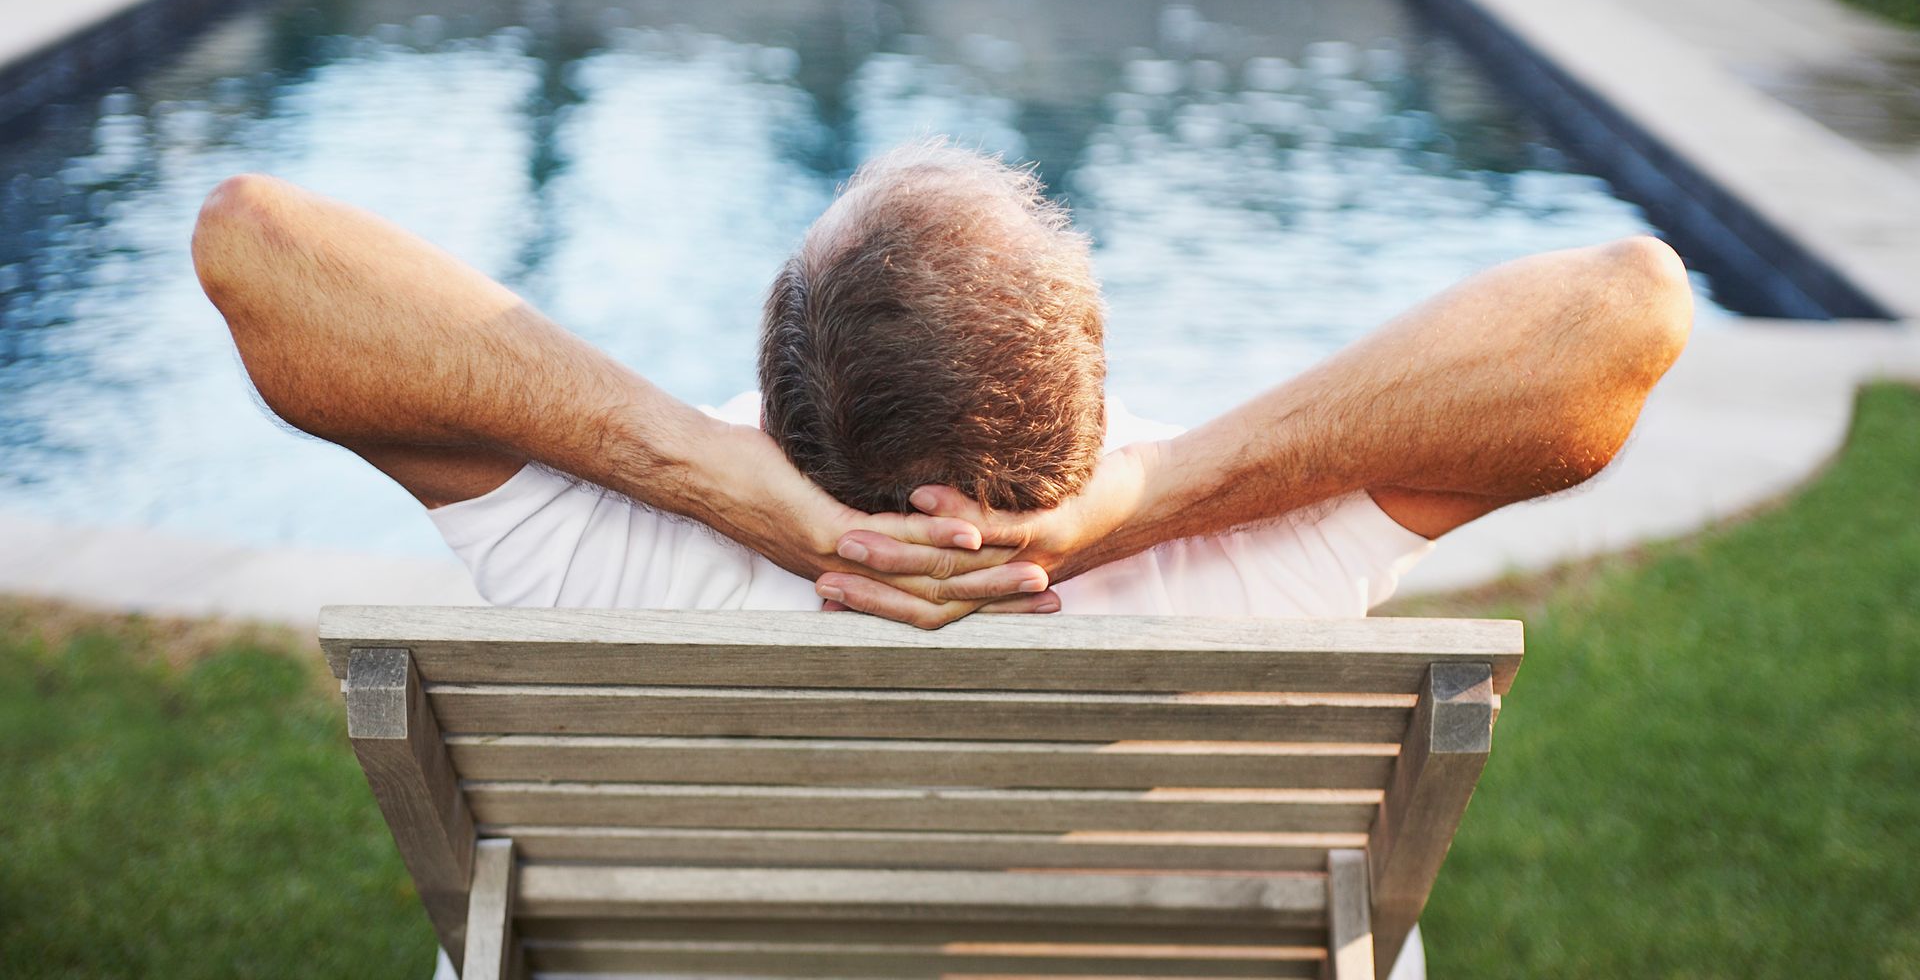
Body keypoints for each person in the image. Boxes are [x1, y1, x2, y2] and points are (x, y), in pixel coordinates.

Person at [191, 142, 1692, 978]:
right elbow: (1624, 313)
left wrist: (700, 477)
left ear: (777, 380)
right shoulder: (1259, 561)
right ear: (1094, 379)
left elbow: (257, 244)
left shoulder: (598, 539)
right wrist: (1165, 493)